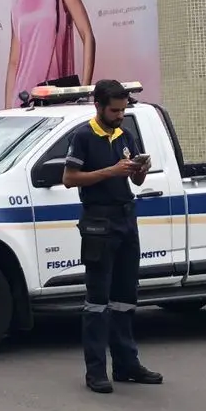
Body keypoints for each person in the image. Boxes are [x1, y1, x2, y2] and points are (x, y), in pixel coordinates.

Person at [63, 79, 163, 394]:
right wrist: (111, 171)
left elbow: (135, 181)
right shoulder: (83, 136)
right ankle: (95, 371)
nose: (120, 116)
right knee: (97, 301)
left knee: (125, 297)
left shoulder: (125, 135)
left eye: (123, 110)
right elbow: (69, 178)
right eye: (115, 111)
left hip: (126, 218)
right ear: (99, 106)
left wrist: (139, 169)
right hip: (98, 222)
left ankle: (126, 364)